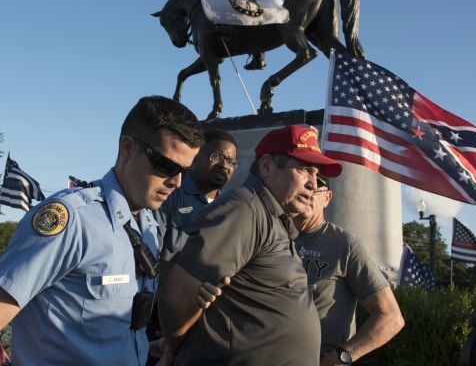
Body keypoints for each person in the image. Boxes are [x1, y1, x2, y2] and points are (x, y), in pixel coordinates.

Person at [0, 96, 210, 366]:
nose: (175, 182)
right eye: (166, 166)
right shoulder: (71, 220)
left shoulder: (148, 227)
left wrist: (140, 348)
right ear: (127, 148)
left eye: (184, 173)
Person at [158, 124, 342, 366]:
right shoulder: (244, 210)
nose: (313, 183)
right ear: (266, 167)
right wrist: (172, 350)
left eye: (316, 174)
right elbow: (179, 294)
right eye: (305, 170)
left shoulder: (274, 217)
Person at [294, 176, 404, 365]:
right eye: (304, 185)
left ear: (327, 198)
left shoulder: (344, 245)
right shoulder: (272, 237)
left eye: (315, 188)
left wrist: (339, 358)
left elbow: (391, 317)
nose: (307, 192)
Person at [154, 129, 238, 275]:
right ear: (196, 157)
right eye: (217, 156)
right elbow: (152, 253)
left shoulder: (229, 208)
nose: (224, 165)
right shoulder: (170, 195)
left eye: (231, 161)